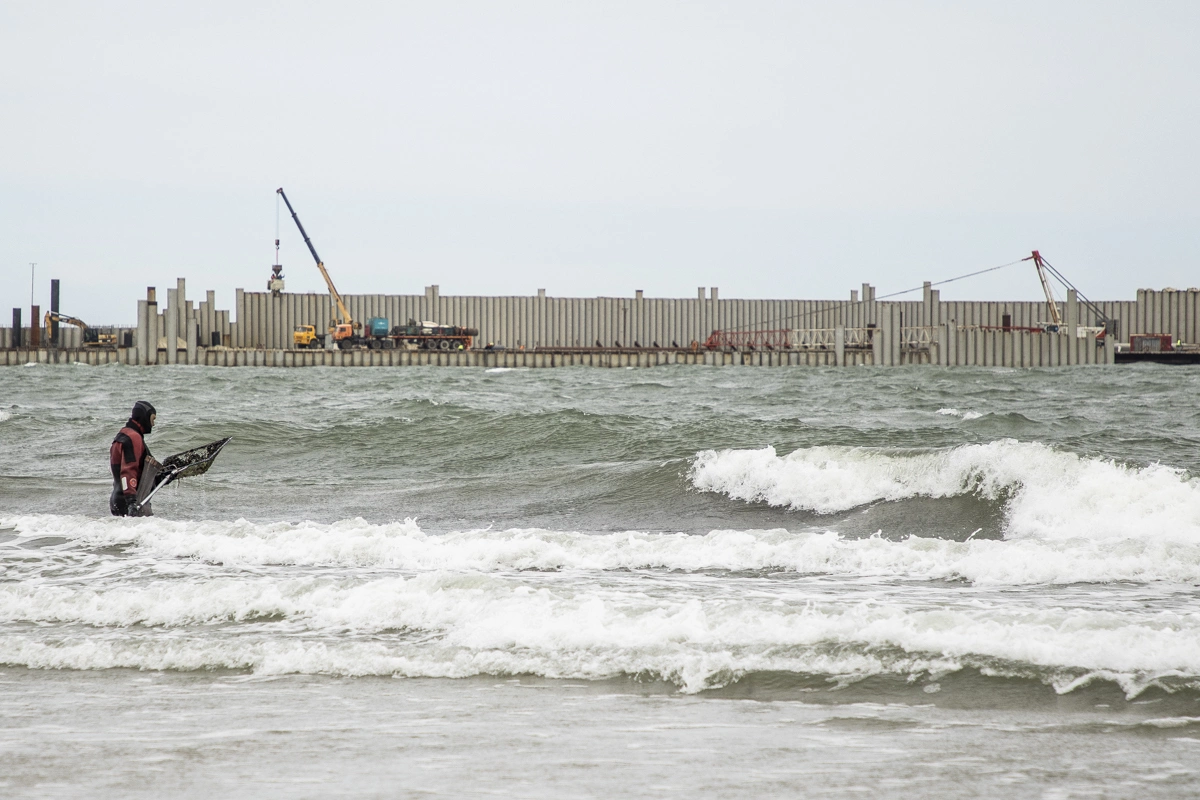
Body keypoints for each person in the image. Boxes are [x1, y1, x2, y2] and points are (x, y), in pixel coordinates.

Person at [110, 400, 156, 517]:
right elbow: (128, 471)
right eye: (153, 419)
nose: (153, 424)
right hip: (130, 502)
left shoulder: (123, 434)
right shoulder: (133, 438)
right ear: (145, 417)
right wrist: (131, 502)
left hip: (117, 499)